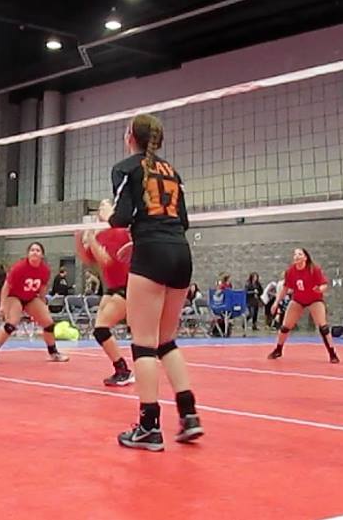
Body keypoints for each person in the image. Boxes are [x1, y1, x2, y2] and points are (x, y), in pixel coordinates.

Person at [110, 113, 201, 451]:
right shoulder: (172, 171)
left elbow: (121, 217)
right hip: (180, 253)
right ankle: (189, 414)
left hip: (152, 253)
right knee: (166, 341)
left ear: (131, 137)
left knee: (144, 343)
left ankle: (149, 426)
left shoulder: (126, 168)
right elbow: (182, 221)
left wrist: (106, 214)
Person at [77, 198, 135, 387]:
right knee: (100, 330)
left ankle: (124, 370)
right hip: (112, 288)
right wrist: (79, 238)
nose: (100, 208)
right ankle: (122, 369)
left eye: (104, 204)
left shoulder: (120, 232)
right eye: (100, 205)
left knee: (101, 329)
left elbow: (107, 261)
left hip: (127, 287)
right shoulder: (101, 235)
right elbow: (89, 260)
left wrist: (91, 238)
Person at [0, 242, 69, 364]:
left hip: (30, 297)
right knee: (11, 323)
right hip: (14, 296)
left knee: (48, 323)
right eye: (32, 250)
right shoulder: (19, 267)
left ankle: (53, 353)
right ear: (28, 254)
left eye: (38, 250)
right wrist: (2, 305)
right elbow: (6, 287)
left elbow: (43, 287)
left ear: (42, 255)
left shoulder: (45, 270)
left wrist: (43, 303)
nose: (34, 252)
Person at [267, 248, 339, 363]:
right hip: (298, 300)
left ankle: (332, 353)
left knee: (323, 327)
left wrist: (320, 289)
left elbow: (324, 284)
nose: (296, 256)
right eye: (295, 254)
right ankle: (278, 349)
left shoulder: (314, 269)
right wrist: (276, 303)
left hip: (314, 299)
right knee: (285, 326)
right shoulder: (291, 271)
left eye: (300, 254)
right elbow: (285, 288)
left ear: (305, 257)